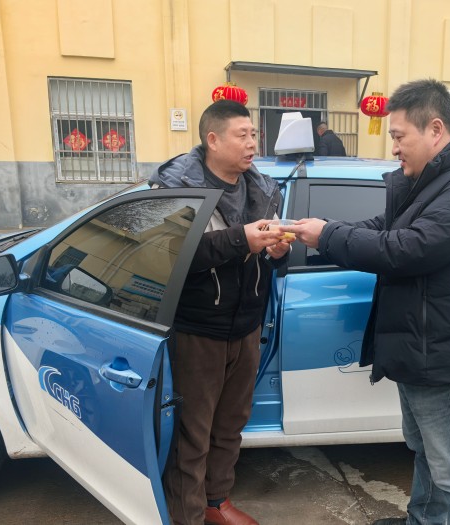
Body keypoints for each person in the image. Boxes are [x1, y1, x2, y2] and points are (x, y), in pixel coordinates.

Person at [282, 79, 450, 525]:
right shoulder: (434, 180)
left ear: (435, 129)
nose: (394, 148)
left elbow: (407, 249)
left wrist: (327, 235)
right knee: (426, 451)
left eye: (400, 136)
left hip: (443, 356)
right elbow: (383, 227)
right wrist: (316, 229)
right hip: (421, 348)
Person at [149, 99, 291, 525]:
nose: (252, 144)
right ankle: (187, 515)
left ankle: (216, 502)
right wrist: (240, 240)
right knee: (193, 432)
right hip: (197, 330)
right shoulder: (177, 190)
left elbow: (270, 255)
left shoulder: (263, 188)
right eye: (242, 135)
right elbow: (168, 256)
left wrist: (279, 253)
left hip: (246, 327)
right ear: (213, 140)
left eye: (254, 134)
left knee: (230, 425)